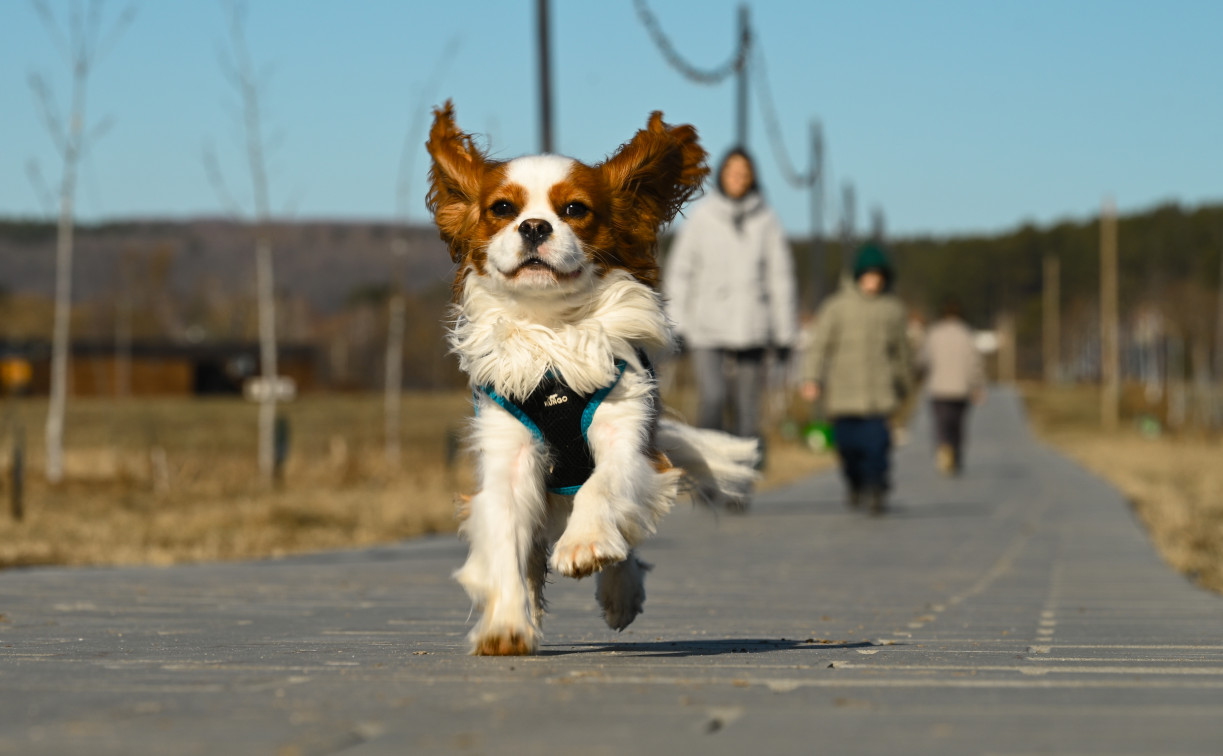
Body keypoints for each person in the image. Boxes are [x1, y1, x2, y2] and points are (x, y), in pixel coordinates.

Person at [663, 147, 798, 441]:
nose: (738, 178)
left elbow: (780, 278)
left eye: (744, 173)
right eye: (733, 172)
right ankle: (709, 473)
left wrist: (785, 333)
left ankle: (743, 479)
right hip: (706, 325)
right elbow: (680, 272)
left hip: (753, 324)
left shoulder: (767, 220)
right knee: (712, 397)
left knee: (748, 409)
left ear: (752, 178)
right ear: (722, 175)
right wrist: (678, 325)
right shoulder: (702, 218)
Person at [800, 243, 913, 515]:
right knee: (848, 447)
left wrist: (905, 385)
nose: (873, 281)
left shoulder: (892, 309)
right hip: (843, 394)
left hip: (879, 393)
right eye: (869, 274)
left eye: (879, 275)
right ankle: (855, 483)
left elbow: (902, 353)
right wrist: (811, 378)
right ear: (859, 275)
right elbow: (819, 347)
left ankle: (876, 487)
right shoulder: (836, 307)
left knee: (876, 445)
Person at [920, 298, 985, 475]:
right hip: (961, 389)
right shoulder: (967, 334)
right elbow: (975, 363)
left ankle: (944, 448)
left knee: (941, 423)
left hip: (939, 387)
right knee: (957, 424)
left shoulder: (934, 334)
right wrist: (977, 385)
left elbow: (924, 359)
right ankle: (955, 452)